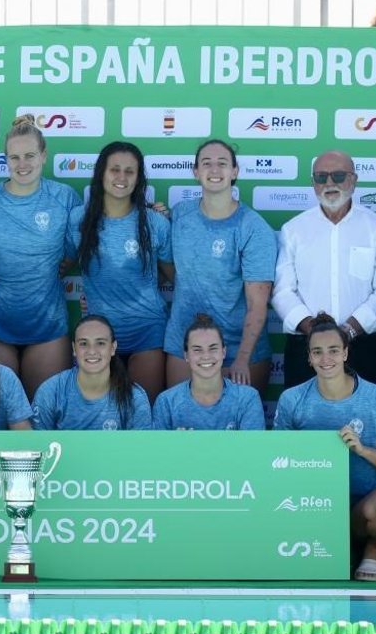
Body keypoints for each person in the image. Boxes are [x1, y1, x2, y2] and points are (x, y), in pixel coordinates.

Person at [273, 315, 376, 582]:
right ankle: (329, 551)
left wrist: (363, 450)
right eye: (317, 352)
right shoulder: (292, 399)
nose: (326, 359)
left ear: (345, 353)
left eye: (334, 350)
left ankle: (371, 550)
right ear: (309, 357)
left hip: (363, 504)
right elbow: (276, 462)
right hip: (308, 506)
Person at [0, 114, 81, 399]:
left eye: (30, 155)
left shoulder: (65, 198)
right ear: (5, 159)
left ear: (44, 155)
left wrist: (68, 262)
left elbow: (85, 240)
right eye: (14, 157)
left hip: (47, 325)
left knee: (45, 413)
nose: (22, 164)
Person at [273, 150, 376, 387]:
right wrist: (313, 331)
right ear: (313, 183)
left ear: (354, 180)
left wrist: (348, 330)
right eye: (321, 177)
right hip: (306, 348)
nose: (329, 183)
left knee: (364, 411)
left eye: (338, 176)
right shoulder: (294, 230)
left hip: (363, 346)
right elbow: (282, 292)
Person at [164, 139, 274, 396]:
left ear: (234, 171)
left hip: (239, 347)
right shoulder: (179, 215)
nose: (214, 170)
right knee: (180, 419)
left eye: (222, 163)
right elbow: (171, 270)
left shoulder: (253, 227)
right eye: (206, 163)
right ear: (195, 172)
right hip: (183, 342)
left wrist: (242, 359)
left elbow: (257, 303)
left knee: (239, 421)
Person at [70, 141, 173, 401]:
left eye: (130, 171)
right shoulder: (78, 219)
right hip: (97, 336)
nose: (121, 177)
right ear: (101, 173)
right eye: (114, 169)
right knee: (98, 413)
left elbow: (174, 276)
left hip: (147, 331)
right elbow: (56, 265)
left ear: (139, 178)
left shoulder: (155, 223)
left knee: (142, 411)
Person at [31, 315, 153, 430]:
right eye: (83, 344)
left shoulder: (134, 397)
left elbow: (141, 445)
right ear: (74, 349)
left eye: (100, 343)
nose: (92, 351)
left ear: (113, 348)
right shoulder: (51, 391)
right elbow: (36, 442)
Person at [153, 314, 266, 431]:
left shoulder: (247, 399)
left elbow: (253, 444)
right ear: (186, 356)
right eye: (197, 350)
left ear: (223, 352)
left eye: (213, 348)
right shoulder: (166, 402)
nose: (206, 356)